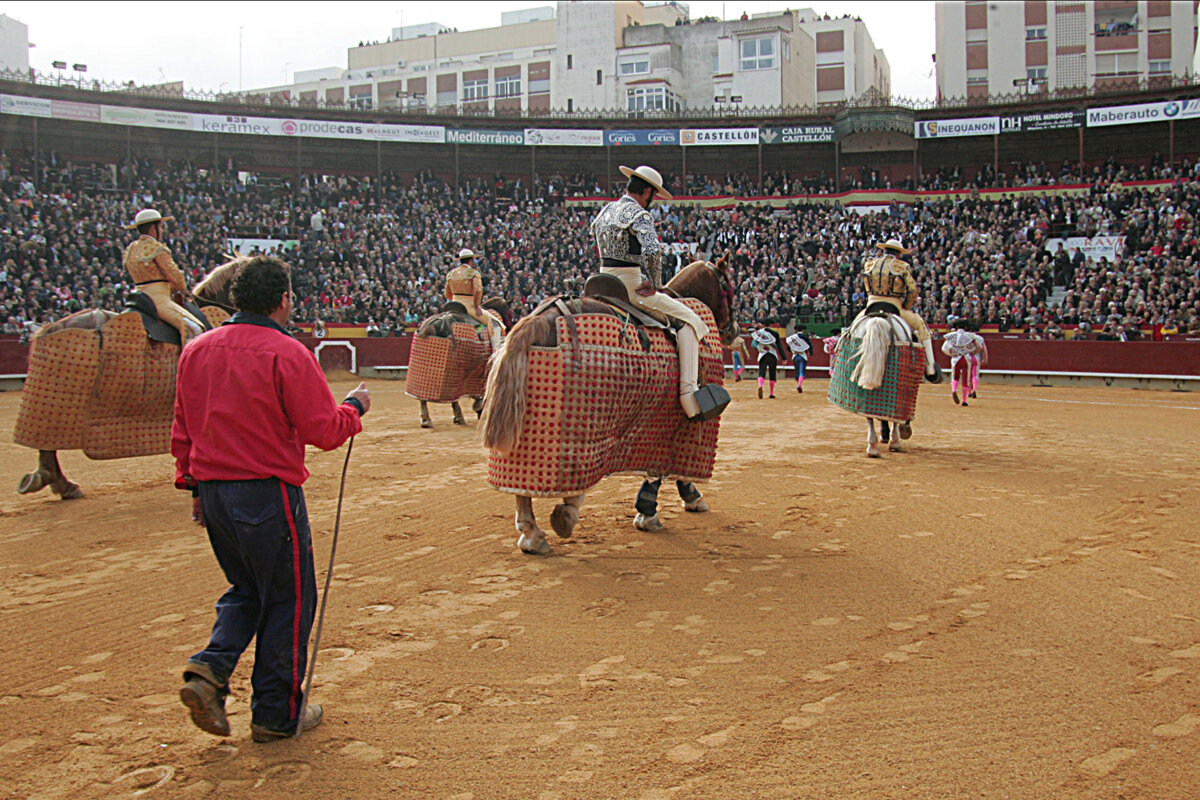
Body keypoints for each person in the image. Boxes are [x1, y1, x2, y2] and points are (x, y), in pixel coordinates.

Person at [171, 255, 371, 743]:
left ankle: (211, 668)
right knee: (288, 599)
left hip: (214, 492)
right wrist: (354, 407)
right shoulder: (286, 352)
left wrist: (194, 488)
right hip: (266, 496)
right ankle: (275, 715)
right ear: (284, 301)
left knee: (246, 590)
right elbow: (323, 432)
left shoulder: (196, 349)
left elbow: (183, 430)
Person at [591, 165, 724, 419]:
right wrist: (655, 281)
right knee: (689, 321)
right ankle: (689, 397)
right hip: (628, 286)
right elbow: (653, 251)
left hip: (599, 282)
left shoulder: (606, 210)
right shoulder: (640, 215)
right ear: (648, 192)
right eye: (654, 196)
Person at [853, 238, 939, 381]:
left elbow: (866, 285)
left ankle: (842, 360)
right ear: (898, 253)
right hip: (894, 306)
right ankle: (930, 370)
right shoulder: (902, 266)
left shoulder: (869, 264)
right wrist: (906, 307)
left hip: (871, 305)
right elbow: (912, 290)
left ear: (884, 250)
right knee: (920, 325)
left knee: (852, 329)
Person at [123, 208, 205, 343]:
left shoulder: (130, 249)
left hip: (137, 296)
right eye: (160, 227)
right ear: (153, 228)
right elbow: (174, 275)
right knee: (195, 329)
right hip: (159, 299)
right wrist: (183, 290)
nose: (161, 231)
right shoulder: (157, 248)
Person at [445, 248, 504, 348]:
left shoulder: (451, 274)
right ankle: (496, 353)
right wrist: (476, 306)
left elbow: (447, 294)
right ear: (471, 260)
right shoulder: (473, 273)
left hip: (453, 304)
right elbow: (477, 290)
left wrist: (455, 300)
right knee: (494, 322)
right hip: (469, 306)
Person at [941, 317, 978, 406]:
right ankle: (964, 400)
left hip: (955, 359)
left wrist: (950, 354)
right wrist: (973, 352)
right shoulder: (970, 336)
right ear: (966, 326)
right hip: (966, 358)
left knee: (955, 377)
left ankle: (954, 390)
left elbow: (944, 349)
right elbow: (978, 347)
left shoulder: (951, 336)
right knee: (965, 379)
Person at [751, 322, 784, 399]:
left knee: (761, 372)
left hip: (763, 355)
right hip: (772, 355)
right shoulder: (775, 334)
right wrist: (784, 358)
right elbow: (779, 346)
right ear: (771, 325)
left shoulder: (758, 334)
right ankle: (771, 393)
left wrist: (761, 348)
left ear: (762, 325)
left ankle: (760, 385)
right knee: (772, 374)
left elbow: (753, 344)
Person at [785, 323, 812, 393]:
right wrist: (810, 353)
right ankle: (799, 385)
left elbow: (788, 347)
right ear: (803, 330)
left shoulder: (792, 338)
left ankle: (798, 384)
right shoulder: (805, 337)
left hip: (795, 356)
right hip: (803, 356)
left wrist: (794, 351)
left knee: (797, 371)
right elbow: (810, 346)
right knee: (802, 371)